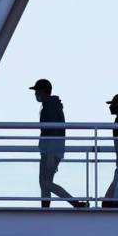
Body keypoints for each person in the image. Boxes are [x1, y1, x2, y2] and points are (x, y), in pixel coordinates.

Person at [30, 79, 88, 208]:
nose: (35, 94)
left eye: (37, 91)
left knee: (45, 183)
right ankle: (46, 208)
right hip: (49, 150)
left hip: (51, 150)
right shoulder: (50, 105)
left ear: (44, 92)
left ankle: (76, 203)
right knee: (44, 182)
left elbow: (53, 131)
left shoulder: (50, 106)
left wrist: (50, 154)